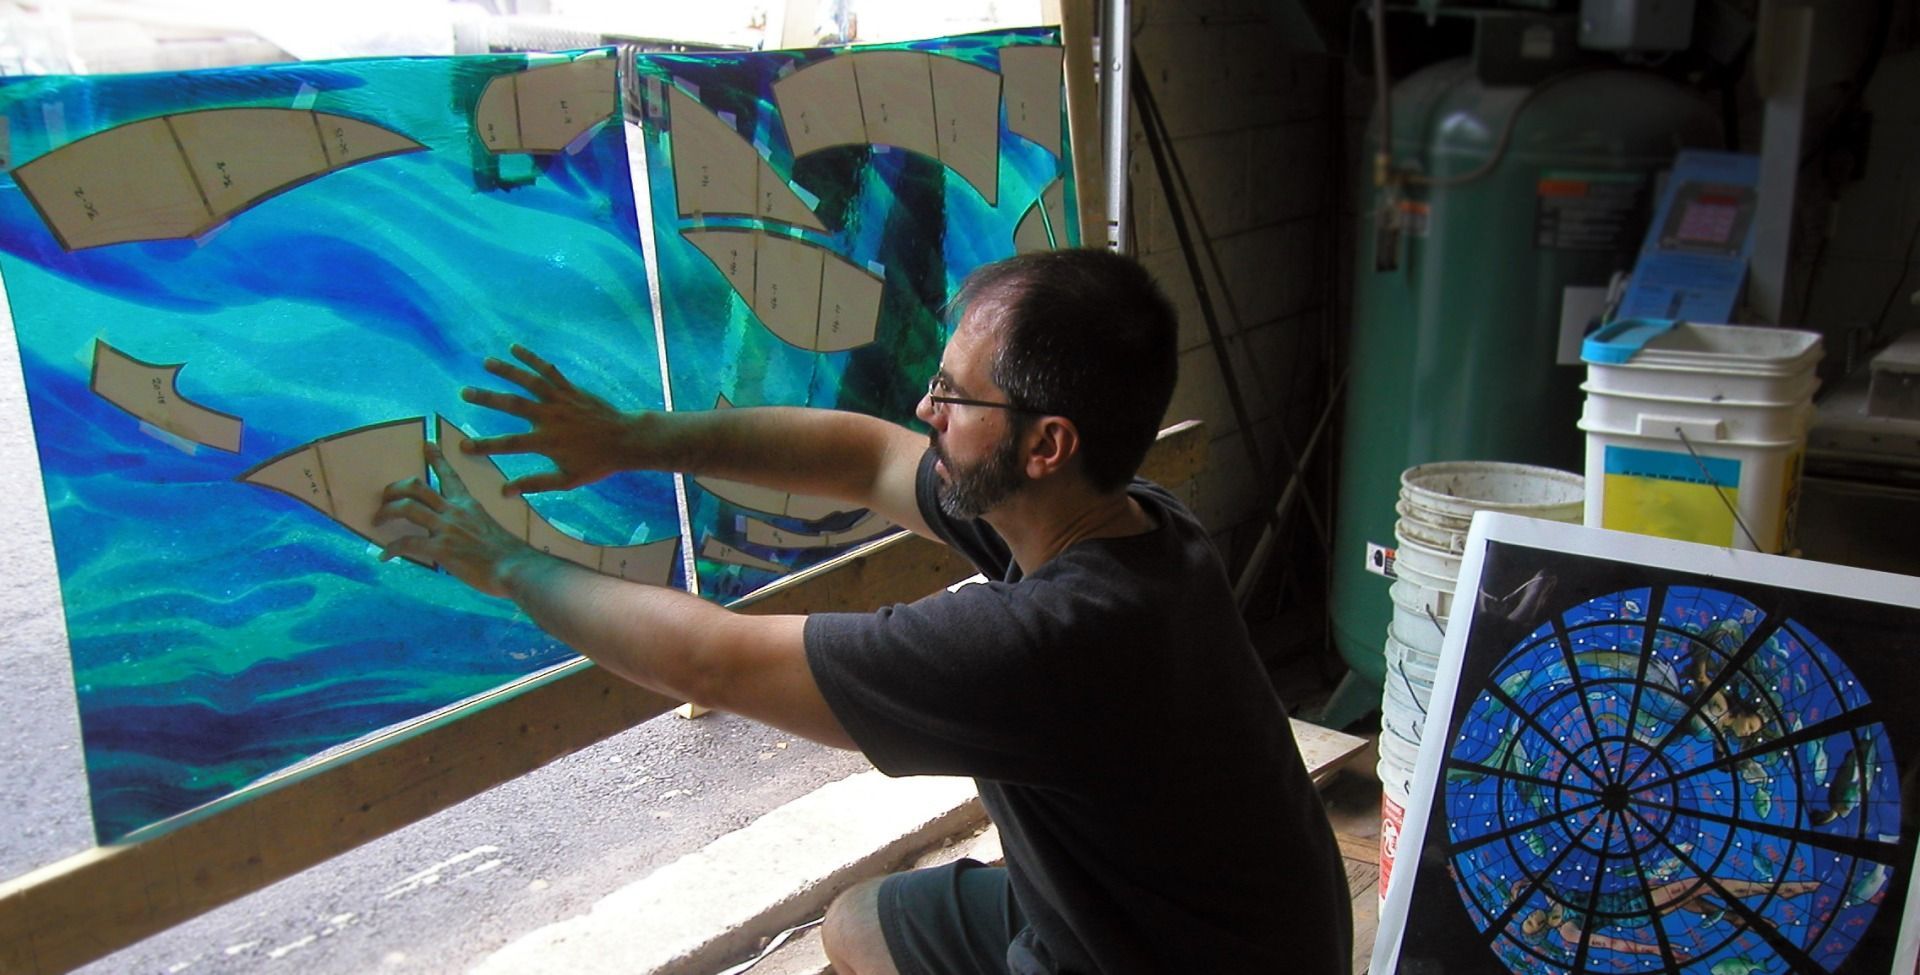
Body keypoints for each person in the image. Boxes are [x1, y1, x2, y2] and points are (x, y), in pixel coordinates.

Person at [376, 248, 1352, 974]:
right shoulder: (1124, 520)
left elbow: (708, 661)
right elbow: (864, 457)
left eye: (955, 396)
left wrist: (504, 561)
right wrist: (632, 438)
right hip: (1200, 919)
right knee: (858, 926)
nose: (928, 410)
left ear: (1047, 443)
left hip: (1187, 959)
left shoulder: (1050, 645)